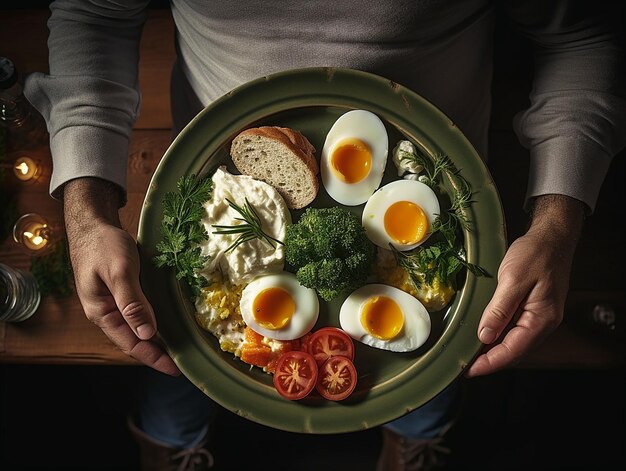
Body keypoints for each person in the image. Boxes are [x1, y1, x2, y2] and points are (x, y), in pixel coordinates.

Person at [24, 0, 626, 470]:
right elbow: (95, 14)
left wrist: (557, 223)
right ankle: (172, 436)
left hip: (457, 181)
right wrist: (86, 212)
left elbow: (583, 30)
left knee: (438, 366)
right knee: (174, 362)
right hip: (209, 164)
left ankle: (414, 437)